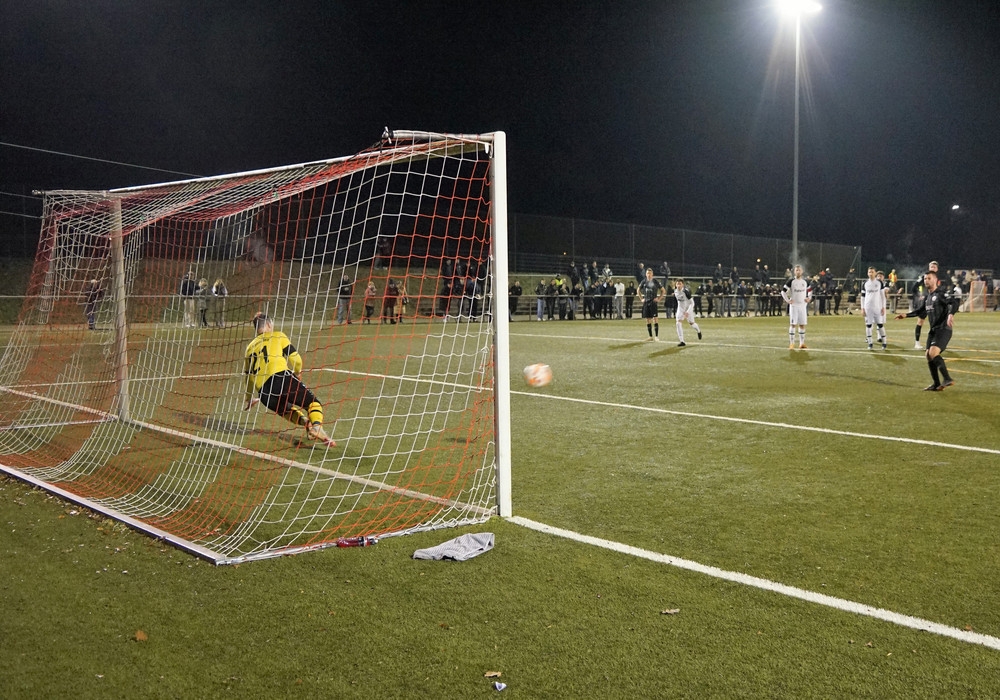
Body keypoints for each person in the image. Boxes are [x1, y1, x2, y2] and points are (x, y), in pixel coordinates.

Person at [244, 312, 335, 446]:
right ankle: (316, 427)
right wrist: (297, 373)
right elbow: (296, 359)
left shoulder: (249, 348)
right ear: (268, 324)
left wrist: (248, 398)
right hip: (281, 378)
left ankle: (306, 424)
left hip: (264, 393)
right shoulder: (278, 335)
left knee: (286, 410)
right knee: (313, 403)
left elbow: (249, 377)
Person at [896, 270, 959, 391]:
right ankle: (936, 384)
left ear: (935, 280)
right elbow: (920, 311)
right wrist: (906, 315)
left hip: (943, 329)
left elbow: (954, 302)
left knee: (933, 353)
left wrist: (951, 314)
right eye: (925, 279)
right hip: (934, 330)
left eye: (929, 278)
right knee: (928, 355)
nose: (926, 281)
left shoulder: (940, 293)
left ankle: (947, 379)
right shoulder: (928, 297)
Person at [781, 264, 812, 349]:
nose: (798, 271)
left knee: (802, 325)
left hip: (803, 306)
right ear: (794, 272)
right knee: (793, 324)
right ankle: (792, 343)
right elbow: (783, 292)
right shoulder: (791, 281)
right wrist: (788, 300)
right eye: (796, 270)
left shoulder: (805, 282)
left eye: (799, 270)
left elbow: (810, 290)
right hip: (794, 306)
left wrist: (809, 298)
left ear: (802, 271)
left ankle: (802, 343)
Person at [912, 261, 939, 349]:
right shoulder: (924, 277)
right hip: (925, 302)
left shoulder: (937, 278)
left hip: (935, 302)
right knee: (920, 321)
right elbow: (914, 287)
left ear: (937, 269)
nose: (933, 268)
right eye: (931, 266)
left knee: (937, 322)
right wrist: (919, 295)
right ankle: (917, 342)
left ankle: (936, 342)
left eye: (934, 267)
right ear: (929, 268)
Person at [860, 267, 888, 350]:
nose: (870, 274)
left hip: (877, 307)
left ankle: (884, 342)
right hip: (868, 308)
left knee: (880, 324)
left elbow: (882, 296)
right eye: (869, 272)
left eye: (872, 272)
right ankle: (870, 343)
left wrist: (883, 307)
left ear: (875, 273)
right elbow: (862, 297)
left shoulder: (879, 283)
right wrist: (862, 308)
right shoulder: (865, 283)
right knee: (868, 325)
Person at [637, 267, 665, 341]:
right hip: (646, 302)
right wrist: (641, 299)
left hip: (653, 302)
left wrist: (659, 298)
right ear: (646, 274)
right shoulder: (644, 281)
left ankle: (656, 336)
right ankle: (650, 336)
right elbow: (638, 290)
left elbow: (663, 290)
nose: (649, 275)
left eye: (650, 273)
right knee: (647, 319)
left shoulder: (655, 281)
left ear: (652, 274)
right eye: (647, 273)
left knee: (655, 319)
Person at [672, 279, 702, 347]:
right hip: (680, 310)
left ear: (682, 284)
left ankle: (698, 330)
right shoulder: (675, 291)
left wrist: (688, 312)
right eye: (677, 284)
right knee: (678, 323)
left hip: (688, 309)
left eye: (680, 284)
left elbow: (692, 303)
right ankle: (682, 341)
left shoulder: (686, 292)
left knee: (692, 324)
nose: (678, 285)